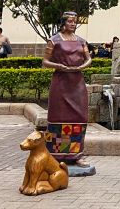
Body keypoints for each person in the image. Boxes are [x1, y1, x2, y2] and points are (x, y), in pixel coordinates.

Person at [43, 11, 93, 167]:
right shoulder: (54, 40)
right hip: (61, 82)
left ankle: (77, 154)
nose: (73, 24)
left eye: (74, 21)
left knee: (79, 117)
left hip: (77, 83)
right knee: (58, 117)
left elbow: (89, 59)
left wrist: (81, 66)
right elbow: (45, 61)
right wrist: (59, 66)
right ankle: (55, 154)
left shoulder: (81, 41)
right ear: (63, 23)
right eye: (70, 21)